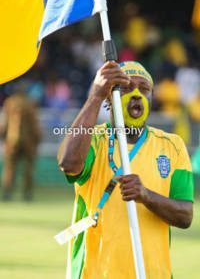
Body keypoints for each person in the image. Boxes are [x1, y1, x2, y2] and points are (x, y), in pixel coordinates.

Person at [58, 61, 194, 279]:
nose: (137, 94)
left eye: (144, 89)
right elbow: (69, 164)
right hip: (96, 273)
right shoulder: (93, 140)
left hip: (152, 274)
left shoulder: (172, 146)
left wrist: (146, 196)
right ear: (110, 98)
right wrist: (95, 96)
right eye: (127, 88)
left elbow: (185, 216)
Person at [1, 92, 41, 200]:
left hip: (12, 140)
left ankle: (7, 192)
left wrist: (4, 137)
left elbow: (5, 123)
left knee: (9, 168)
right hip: (28, 142)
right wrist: (37, 139)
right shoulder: (30, 104)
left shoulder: (9, 103)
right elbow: (35, 125)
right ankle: (27, 194)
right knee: (28, 169)